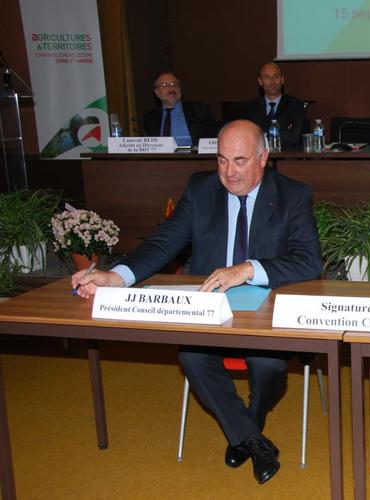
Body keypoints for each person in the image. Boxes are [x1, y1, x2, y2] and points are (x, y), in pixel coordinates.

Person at [72, 120, 322, 486]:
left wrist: (247, 269)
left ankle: (245, 427)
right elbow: (163, 243)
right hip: (209, 310)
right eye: (221, 160)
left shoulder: (293, 195)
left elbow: (309, 261)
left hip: (267, 310)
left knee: (267, 364)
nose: (229, 172)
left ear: (263, 157)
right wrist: (116, 276)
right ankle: (252, 438)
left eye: (239, 161)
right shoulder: (201, 189)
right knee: (191, 356)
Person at [142, 70, 219, 146]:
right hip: (162, 158)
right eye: (165, 85)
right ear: (157, 92)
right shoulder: (150, 118)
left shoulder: (199, 110)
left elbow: (214, 138)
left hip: (194, 157)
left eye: (174, 84)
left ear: (179, 89)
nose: (171, 89)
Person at [242, 62, 304, 149]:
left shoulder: (295, 105)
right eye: (267, 77)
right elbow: (247, 136)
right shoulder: (250, 107)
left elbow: (294, 137)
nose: (272, 81)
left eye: (276, 76)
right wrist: (281, 130)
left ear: (282, 80)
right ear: (260, 81)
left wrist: (262, 133)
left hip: (285, 158)